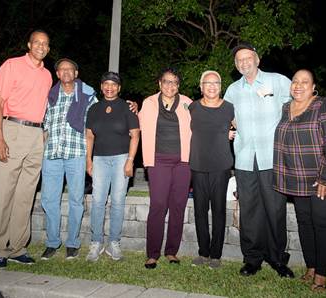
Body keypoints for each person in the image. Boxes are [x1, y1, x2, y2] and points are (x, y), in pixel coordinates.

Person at [223, 42, 294, 278]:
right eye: (239, 60)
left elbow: (297, 104)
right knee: (250, 211)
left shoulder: (278, 81)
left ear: (257, 59)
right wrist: (228, 128)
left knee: (275, 210)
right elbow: (226, 117)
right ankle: (252, 259)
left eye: (247, 58)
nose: (244, 63)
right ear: (236, 65)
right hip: (244, 158)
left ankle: (277, 259)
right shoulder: (233, 90)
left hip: (272, 157)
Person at [273, 69, 326, 292]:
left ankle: (321, 275)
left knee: (322, 224)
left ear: (314, 87)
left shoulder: (323, 106)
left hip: (321, 179)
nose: (298, 85)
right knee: (304, 223)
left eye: (305, 82)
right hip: (297, 178)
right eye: (295, 81)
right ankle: (311, 267)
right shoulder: (287, 108)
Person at [0, 29, 52, 268]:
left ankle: (17, 247)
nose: (41, 46)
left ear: (48, 48)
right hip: (13, 128)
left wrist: (42, 136)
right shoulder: (11, 65)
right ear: (29, 44)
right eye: (37, 42)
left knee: (25, 194)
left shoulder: (47, 75)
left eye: (45, 44)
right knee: (3, 192)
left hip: (37, 134)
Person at [40, 58, 97, 261]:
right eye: (62, 69)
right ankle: (52, 242)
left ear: (76, 73)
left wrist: (128, 107)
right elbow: (44, 125)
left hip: (76, 154)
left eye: (70, 69)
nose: (65, 72)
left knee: (76, 200)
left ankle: (72, 243)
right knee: (48, 199)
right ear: (57, 74)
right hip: (51, 154)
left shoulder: (87, 96)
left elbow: (101, 115)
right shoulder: (49, 96)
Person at [139, 67, 192, 269]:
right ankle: (152, 254)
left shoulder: (187, 103)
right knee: (158, 206)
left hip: (183, 162)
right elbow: (136, 124)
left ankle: (171, 251)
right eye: (166, 81)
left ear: (178, 86)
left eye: (174, 82)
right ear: (159, 84)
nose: (170, 85)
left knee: (178, 206)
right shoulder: (149, 103)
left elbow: (201, 126)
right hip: (158, 161)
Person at [85, 72, 140, 261]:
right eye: (106, 84)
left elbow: (135, 135)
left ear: (119, 88)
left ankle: (114, 243)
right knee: (98, 201)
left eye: (114, 84)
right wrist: (89, 161)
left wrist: (130, 161)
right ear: (101, 87)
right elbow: (90, 136)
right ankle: (96, 242)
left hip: (121, 159)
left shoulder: (127, 108)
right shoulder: (94, 109)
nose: (110, 87)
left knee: (118, 201)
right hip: (99, 160)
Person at [189, 71, 234, 269]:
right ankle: (203, 253)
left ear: (220, 86)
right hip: (198, 165)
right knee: (200, 211)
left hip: (221, 166)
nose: (212, 86)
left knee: (218, 211)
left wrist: (233, 133)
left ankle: (216, 255)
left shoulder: (229, 108)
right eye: (207, 83)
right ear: (201, 86)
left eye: (216, 82)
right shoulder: (192, 107)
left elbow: (245, 128)